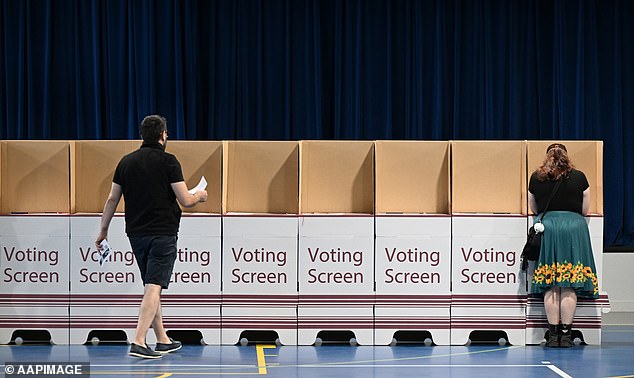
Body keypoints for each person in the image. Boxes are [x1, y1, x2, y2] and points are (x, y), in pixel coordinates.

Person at [95, 115, 208, 359]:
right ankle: (138, 341)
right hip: (163, 232)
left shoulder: (126, 162)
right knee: (154, 286)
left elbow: (112, 199)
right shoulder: (169, 162)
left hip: (135, 233)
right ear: (163, 135)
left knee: (151, 286)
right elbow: (186, 201)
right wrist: (200, 195)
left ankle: (162, 339)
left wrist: (103, 230)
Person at [528, 143, 599, 348]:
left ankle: (552, 334)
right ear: (567, 156)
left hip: (548, 227)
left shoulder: (536, 178)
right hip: (574, 228)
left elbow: (534, 208)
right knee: (569, 282)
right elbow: (585, 210)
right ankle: (566, 334)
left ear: (547, 157)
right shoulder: (580, 177)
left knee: (551, 283)